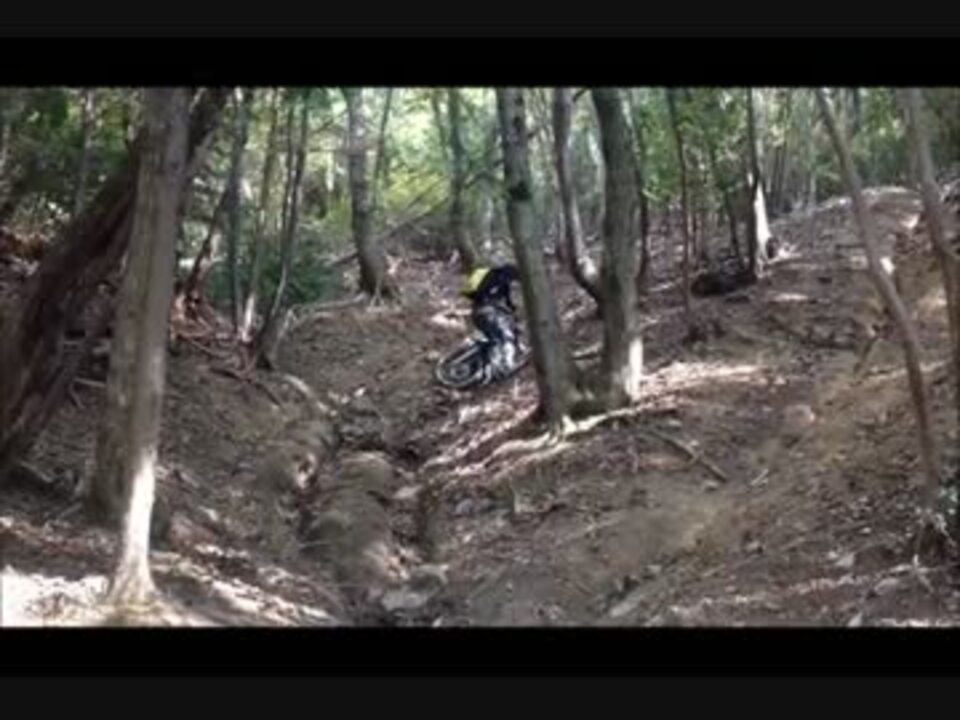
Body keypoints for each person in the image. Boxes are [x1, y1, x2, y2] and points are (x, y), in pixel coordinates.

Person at [460, 264, 521, 379]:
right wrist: (512, 312)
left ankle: (482, 365)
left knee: (491, 338)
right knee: (502, 338)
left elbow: (507, 301)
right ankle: (500, 367)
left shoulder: (493, 278)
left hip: (476, 312)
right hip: (488, 313)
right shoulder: (502, 282)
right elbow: (507, 302)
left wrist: (509, 309)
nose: (513, 282)